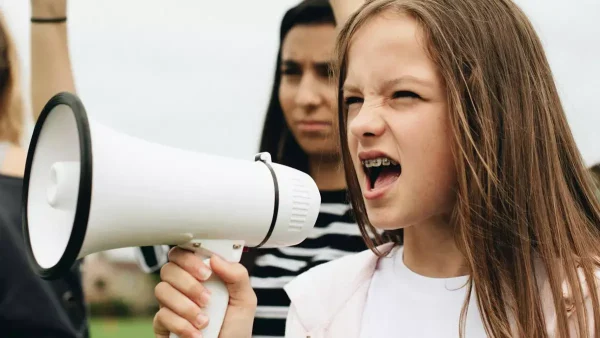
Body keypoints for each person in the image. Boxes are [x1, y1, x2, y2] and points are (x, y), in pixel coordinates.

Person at [152, 0, 600, 337]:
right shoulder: (322, 302)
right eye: (353, 100)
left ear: (489, 113)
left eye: (403, 95)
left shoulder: (583, 304)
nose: (360, 123)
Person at [136, 1, 368, 336]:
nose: (305, 96)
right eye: (290, 72)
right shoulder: (238, 200)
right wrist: (50, 17)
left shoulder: (403, 224)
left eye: (330, 72)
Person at [0, 0, 89, 336]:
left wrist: (48, 13)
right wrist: (48, 13)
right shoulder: (37, 182)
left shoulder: (38, 178)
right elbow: (65, 156)